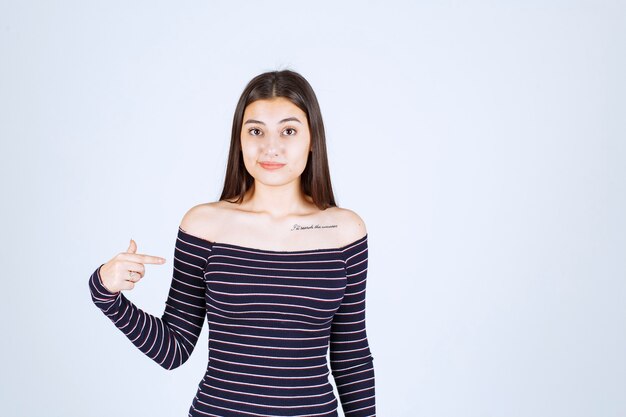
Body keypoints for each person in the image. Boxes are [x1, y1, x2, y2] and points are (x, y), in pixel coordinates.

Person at [88, 69, 376, 416]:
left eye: (288, 130)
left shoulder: (344, 231)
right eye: (256, 131)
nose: (271, 147)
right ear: (239, 138)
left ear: (312, 139)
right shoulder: (204, 226)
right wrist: (105, 292)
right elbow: (173, 348)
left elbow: (351, 355)